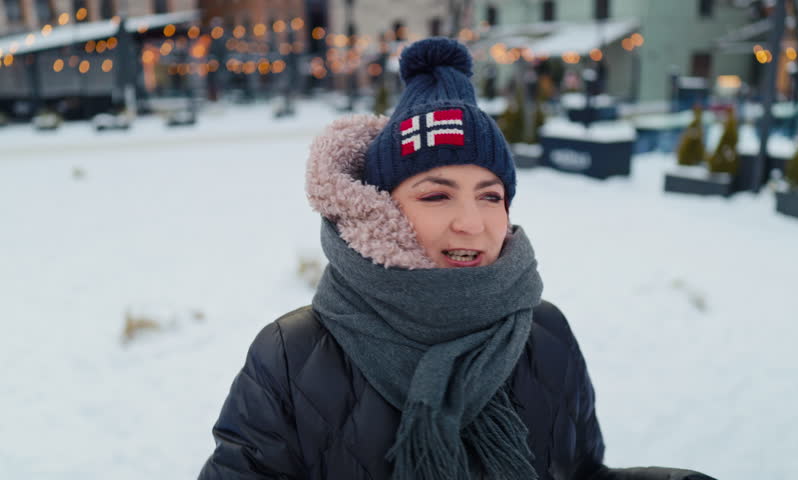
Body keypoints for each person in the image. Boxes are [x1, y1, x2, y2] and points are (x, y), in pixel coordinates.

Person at [198, 38, 715, 480]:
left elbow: (580, 471)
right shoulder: (292, 356)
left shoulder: (546, 333)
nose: (472, 222)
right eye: (435, 195)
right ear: (383, 211)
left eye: (490, 196)